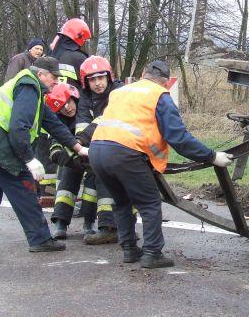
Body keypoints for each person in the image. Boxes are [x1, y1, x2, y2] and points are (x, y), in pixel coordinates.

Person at [88, 60, 234, 268]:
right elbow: (179, 139)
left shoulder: (120, 91)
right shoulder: (159, 96)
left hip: (97, 151)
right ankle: (152, 253)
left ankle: (129, 250)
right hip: (126, 154)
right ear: (165, 83)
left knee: (121, 202)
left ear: (142, 74)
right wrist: (212, 156)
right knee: (149, 203)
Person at [0, 56, 88, 256]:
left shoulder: (31, 88)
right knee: (24, 187)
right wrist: (29, 159)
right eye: (54, 77)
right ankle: (40, 239)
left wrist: (77, 147)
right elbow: (18, 128)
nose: (56, 82)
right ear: (41, 73)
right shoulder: (29, 87)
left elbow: (52, 122)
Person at [50, 56, 124, 243]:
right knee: (70, 169)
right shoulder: (84, 99)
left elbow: (102, 122)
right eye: (92, 79)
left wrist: (77, 147)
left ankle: (104, 225)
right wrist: (73, 154)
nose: (98, 83)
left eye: (101, 78)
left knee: (100, 168)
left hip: (119, 144)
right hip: (93, 146)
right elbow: (82, 129)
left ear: (109, 77)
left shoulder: (118, 92)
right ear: (85, 82)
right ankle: (61, 221)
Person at [48, 18, 91, 89]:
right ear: (80, 37)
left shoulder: (50, 56)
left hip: (53, 98)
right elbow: (91, 83)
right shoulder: (79, 58)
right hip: (75, 98)